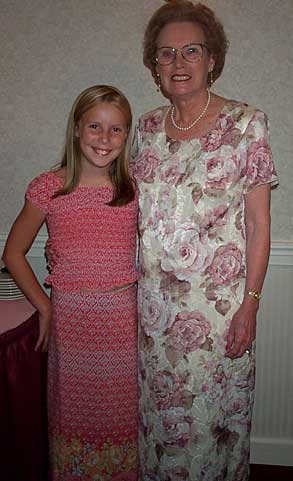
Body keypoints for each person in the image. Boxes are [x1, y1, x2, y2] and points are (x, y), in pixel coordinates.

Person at [132, 1, 278, 480]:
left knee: (210, 427)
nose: (178, 63)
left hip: (218, 316)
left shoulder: (246, 124)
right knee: (161, 428)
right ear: (154, 67)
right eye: (166, 54)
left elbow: (258, 223)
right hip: (153, 315)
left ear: (212, 58)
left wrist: (250, 305)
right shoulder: (147, 128)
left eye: (190, 50)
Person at [3, 85, 139, 481]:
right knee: (73, 413)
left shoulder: (134, 190)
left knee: (120, 413)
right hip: (71, 319)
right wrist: (45, 307)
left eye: (116, 130)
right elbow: (13, 254)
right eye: (95, 126)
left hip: (120, 322)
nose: (104, 138)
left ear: (126, 136)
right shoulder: (49, 187)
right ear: (77, 129)